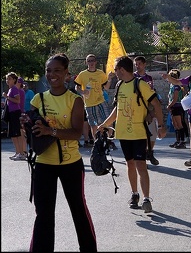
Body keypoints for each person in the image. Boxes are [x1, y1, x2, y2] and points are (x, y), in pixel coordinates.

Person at [24, 53, 97, 251]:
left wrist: (51, 131)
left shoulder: (75, 100)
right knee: (44, 215)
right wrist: (28, 126)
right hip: (43, 164)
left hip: (70, 164)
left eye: (57, 70)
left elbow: (76, 134)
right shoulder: (38, 99)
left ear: (66, 73)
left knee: (78, 210)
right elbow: (33, 134)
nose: (52, 74)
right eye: (48, 70)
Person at [97, 56, 167, 212]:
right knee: (130, 164)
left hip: (139, 132)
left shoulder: (140, 84)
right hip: (123, 133)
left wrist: (161, 125)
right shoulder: (120, 85)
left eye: (115, 69)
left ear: (122, 70)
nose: (114, 72)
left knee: (141, 165)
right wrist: (105, 124)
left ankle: (147, 198)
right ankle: (134, 194)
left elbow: (156, 103)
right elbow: (117, 109)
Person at [74, 54, 115, 145]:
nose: (91, 63)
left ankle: (108, 140)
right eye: (89, 61)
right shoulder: (82, 74)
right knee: (93, 125)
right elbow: (77, 87)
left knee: (109, 120)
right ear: (86, 62)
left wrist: (109, 79)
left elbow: (107, 88)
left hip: (101, 101)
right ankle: (97, 143)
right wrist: (83, 92)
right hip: (89, 103)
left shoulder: (100, 73)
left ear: (96, 62)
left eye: (92, 60)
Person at [133, 56, 160, 165]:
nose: (137, 66)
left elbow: (151, 94)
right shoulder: (133, 77)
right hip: (138, 108)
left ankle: (150, 152)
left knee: (152, 133)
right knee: (141, 136)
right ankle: (142, 158)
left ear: (144, 64)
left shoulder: (149, 77)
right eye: (136, 64)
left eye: (139, 63)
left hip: (149, 108)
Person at [3, 72, 27, 160]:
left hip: (16, 113)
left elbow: (17, 101)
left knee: (18, 134)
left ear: (14, 80)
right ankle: (18, 152)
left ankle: (22, 153)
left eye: (9, 79)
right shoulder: (11, 89)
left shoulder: (15, 89)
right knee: (13, 135)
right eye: (6, 79)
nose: (7, 81)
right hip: (11, 113)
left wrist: (7, 97)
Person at [166, 69, 187, 149]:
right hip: (173, 107)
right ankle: (177, 140)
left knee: (179, 124)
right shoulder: (171, 86)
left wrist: (169, 105)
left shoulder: (176, 86)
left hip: (177, 106)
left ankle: (182, 141)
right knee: (175, 124)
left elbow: (175, 99)